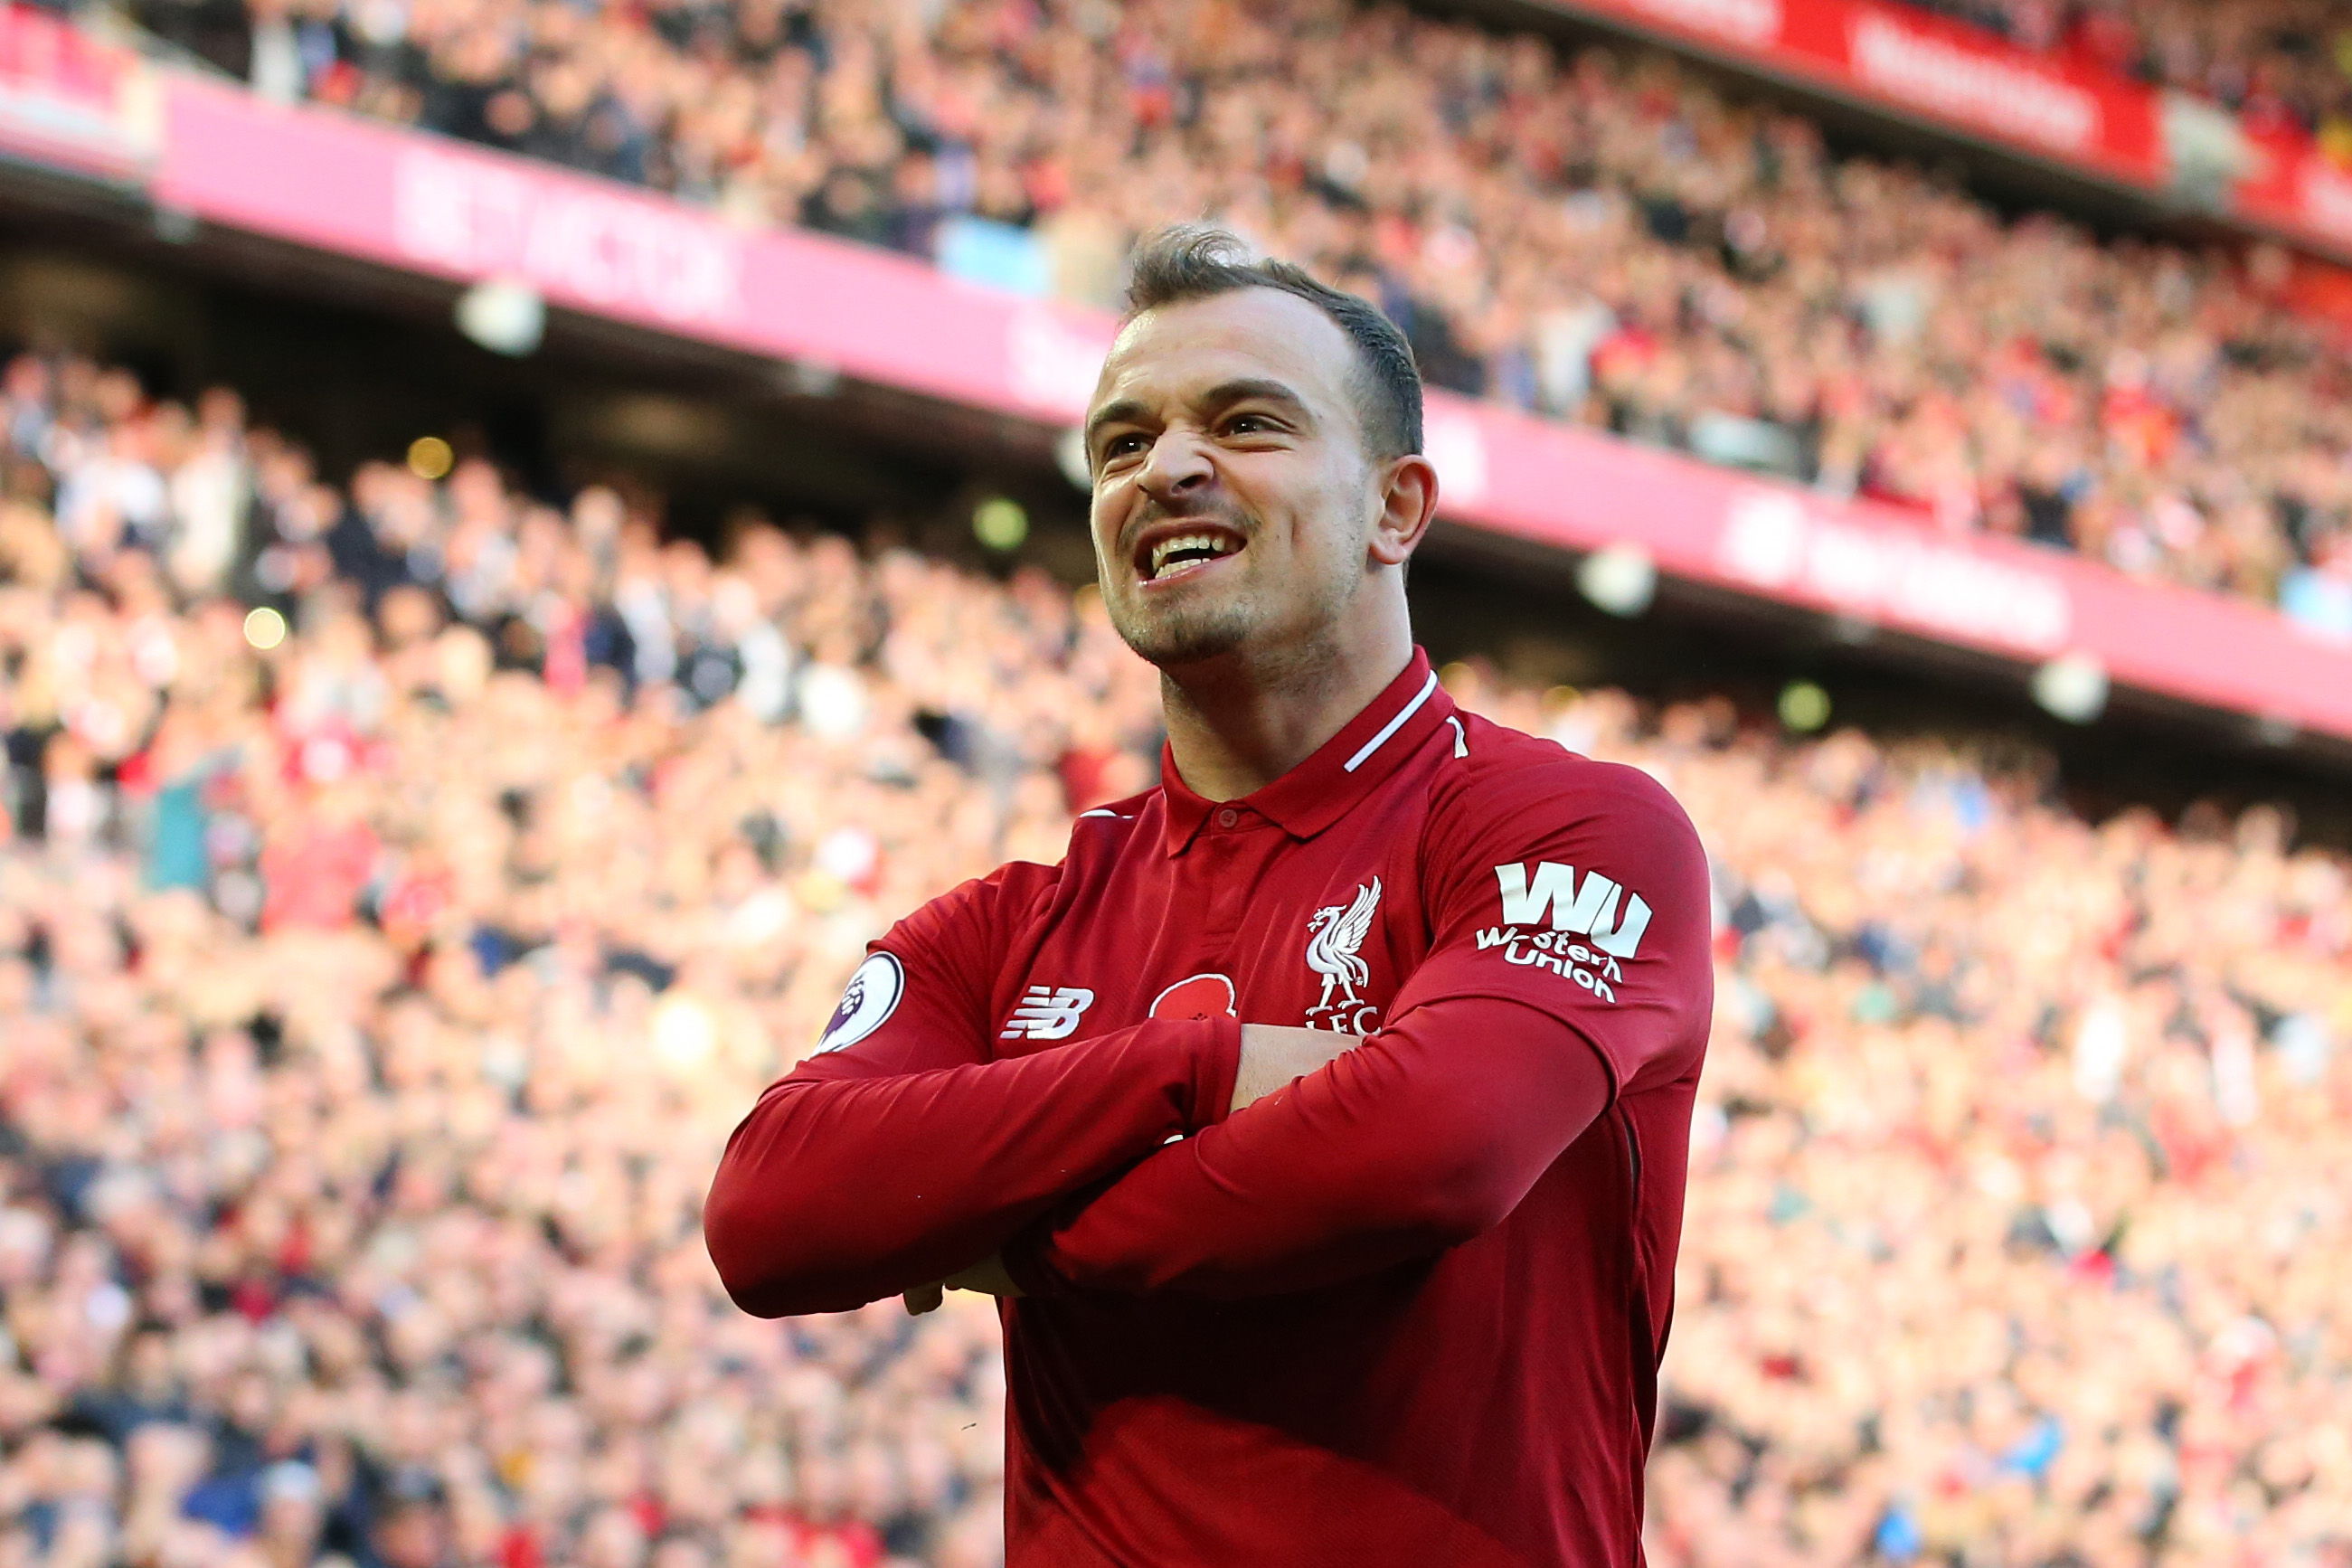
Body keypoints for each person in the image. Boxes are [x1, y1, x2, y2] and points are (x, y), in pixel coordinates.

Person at [703, 222, 1714, 1567]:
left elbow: (1425, 1153)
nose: (1165, 467)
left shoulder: (1570, 828)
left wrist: (1006, 1230)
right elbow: (774, 1214)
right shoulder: (1004, 925)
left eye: (1244, 422)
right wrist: (1199, 1067)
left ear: (1394, 508)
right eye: (1120, 444)